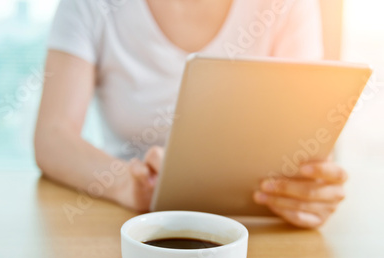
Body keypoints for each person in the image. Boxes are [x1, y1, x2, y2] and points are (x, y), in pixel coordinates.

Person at [34, 0, 347, 229]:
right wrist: (127, 184)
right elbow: (52, 136)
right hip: (128, 223)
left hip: (254, 225)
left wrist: (309, 190)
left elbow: (305, 138)